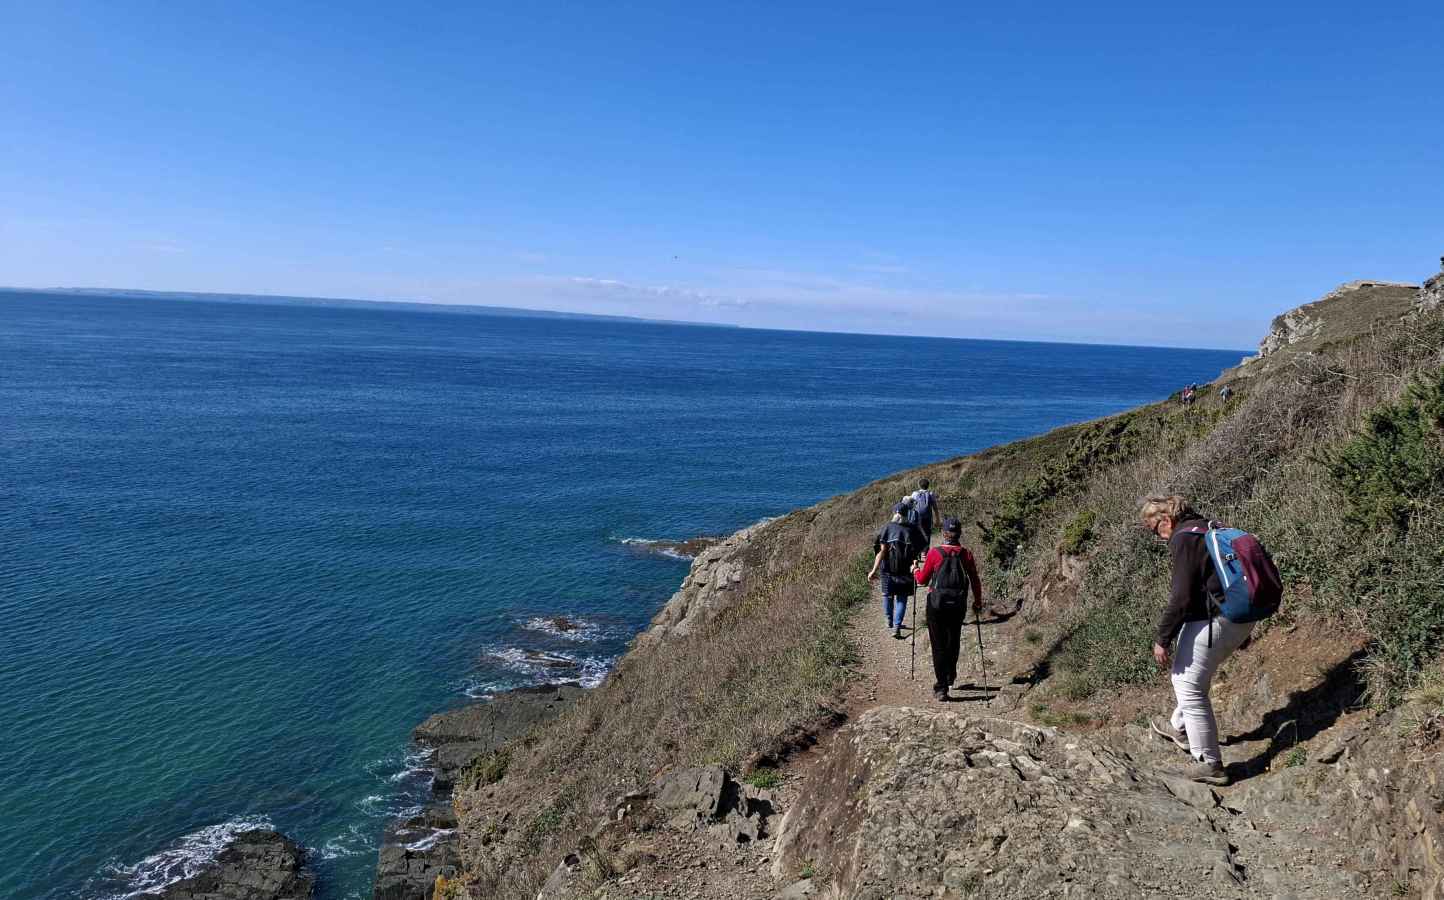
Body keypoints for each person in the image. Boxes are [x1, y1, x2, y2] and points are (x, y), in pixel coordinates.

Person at [1141, 494, 1255, 786]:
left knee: (1187, 685)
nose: (1158, 537)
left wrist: (1162, 638)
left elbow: (1182, 597)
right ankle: (1180, 727)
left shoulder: (1183, 539)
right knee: (1193, 677)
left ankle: (1209, 763)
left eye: (1155, 530)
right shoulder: (1207, 526)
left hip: (1216, 619)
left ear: (1166, 519)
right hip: (1240, 616)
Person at [914, 517, 984, 701]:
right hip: (958, 605)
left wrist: (915, 570)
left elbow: (922, 580)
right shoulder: (966, 554)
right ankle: (950, 675)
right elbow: (975, 580)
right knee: (953, 641)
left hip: (936, 605)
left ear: (944, 533)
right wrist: (977, 602)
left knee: (938, 645)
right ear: (959, 533)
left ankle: (941, 688)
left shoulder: (934, 553)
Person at [868, 510, 925, 639]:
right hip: (905, 570)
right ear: (907, 514)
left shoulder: (887, 527)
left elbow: (881, 551)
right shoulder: (912, 529)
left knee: (887, 595)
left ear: (895, 513)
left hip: (887, 569)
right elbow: (919, 550)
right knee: (901, 598)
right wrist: (915, 565)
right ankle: (897, 626)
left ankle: (889, 620)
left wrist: (873, 570)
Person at [910, 478, 941, 547]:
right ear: (928, 485)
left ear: (919, 485)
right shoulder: (930, 493)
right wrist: (937, 520)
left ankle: (918, 550)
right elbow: (935, 508)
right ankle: (925, 551)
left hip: (917, 518)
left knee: (917, 534)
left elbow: (910, 506)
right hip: (928, 518)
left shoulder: (914, 494)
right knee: (927, 534)